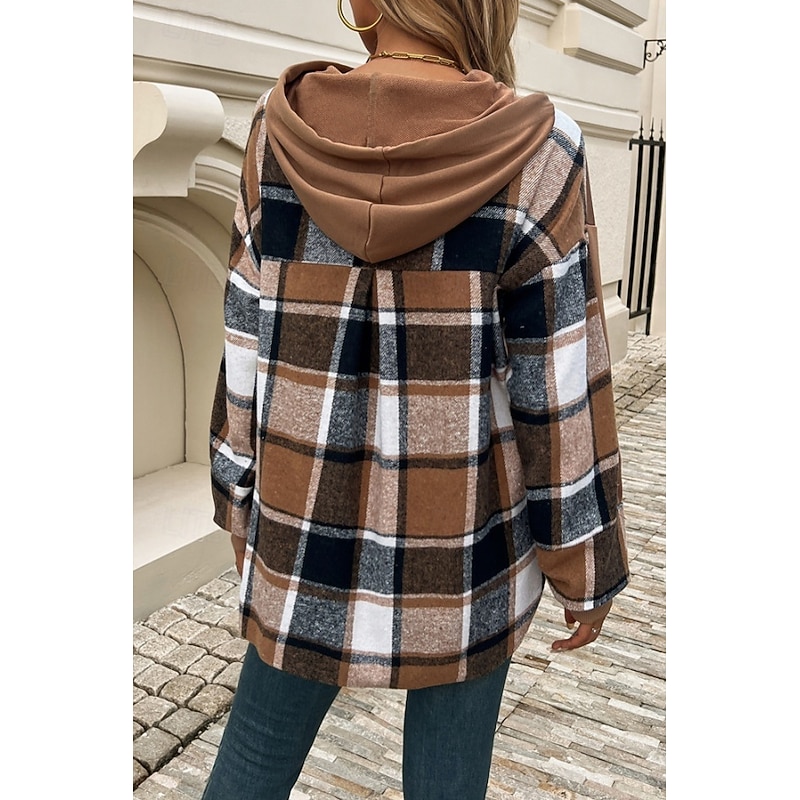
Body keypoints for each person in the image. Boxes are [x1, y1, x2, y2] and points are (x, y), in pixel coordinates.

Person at [204, 1, 629, 797]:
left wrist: (238, 501)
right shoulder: (541, 151)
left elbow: (243, 342)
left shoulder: (277, 132)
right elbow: (558, 389)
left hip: (301, 527)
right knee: (447, 779)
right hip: (470, 547)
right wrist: (586, 563)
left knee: (256, 752)